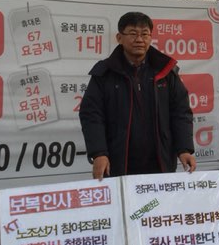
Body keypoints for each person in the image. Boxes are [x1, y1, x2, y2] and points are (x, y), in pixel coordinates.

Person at [80, 11, 196, 179]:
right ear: (119, 38)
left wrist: (184, 149)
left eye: (145, 34)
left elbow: (180, 112)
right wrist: (99, 153)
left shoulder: (165, 72)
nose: (139, 39)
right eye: (133, 34)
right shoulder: (105, 73)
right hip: (118, 163)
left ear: (150, 38)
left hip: (160, 163)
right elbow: (91, 114)